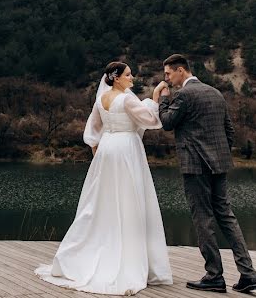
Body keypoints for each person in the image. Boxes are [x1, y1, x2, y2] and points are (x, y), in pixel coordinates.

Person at [35, 61, 173, 295]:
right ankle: (129, 259)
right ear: (117, 77)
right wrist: (156, 95)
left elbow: (93, 131)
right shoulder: (127, 99)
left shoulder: (101, 99)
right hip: (126, 149)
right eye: (129, 75)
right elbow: (150, 121)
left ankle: (94, 249)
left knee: (103, 202)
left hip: (107, 150)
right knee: (129, 201)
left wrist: (98, 153)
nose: (132, 78)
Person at [155, 54, 256, 293]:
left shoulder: (183, 95)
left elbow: (168, 122)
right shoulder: (216, 92)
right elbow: (229, 131)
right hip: (219, 164)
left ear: (181, 70)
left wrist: (162, 98)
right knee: (226, 216)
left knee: (203, 217)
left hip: (195, 166)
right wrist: (219, 155)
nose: (167, 79)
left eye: (168, 74)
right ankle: (248, 274)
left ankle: (214, 275)